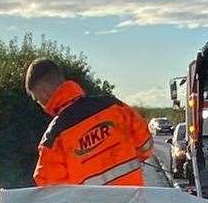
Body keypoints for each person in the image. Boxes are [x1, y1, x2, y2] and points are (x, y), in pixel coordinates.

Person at [25, 58, 154, 187]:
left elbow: (52, 190)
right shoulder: (113, 106)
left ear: (43, 93)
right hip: (132, 200)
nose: (40, 104)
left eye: (37, 99)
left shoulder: (53, 138)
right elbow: (145, 144)